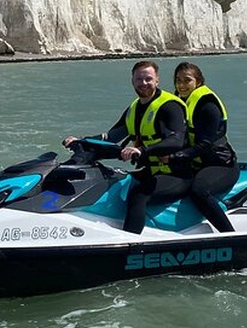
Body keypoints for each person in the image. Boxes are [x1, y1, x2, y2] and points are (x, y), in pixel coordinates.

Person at [64, 60, 189, 234]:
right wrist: (82, 141)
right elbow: (111, 136)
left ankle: (132, 243)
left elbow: (176, 141)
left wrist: (141, 150)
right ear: (132, 81)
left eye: (148, 79)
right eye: (139, 79)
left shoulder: (170, 106)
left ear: (157, 81)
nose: (143, 83)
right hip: (152, 170)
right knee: (116, 182)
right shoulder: (134, 108)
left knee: (138, 194)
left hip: (178, 174)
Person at [167, 62, 238, 232]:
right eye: (178, 80)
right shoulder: (176, 103)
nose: (182, 85)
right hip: (194, 164)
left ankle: (229, 235)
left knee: (198, 191)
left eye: (187, 80)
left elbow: (205, 145)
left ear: (198, 82)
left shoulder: (208, 106)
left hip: (220, 164)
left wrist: (178, 156)